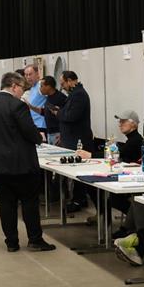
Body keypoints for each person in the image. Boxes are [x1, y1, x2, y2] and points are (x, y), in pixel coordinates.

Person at [0, 72, 55, 252]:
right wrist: (39, 136)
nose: (23, 92)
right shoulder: (17, 106)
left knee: (6, 202)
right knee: (29, 202)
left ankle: (11, 242)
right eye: (22, 88)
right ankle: (35, 239)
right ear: (14, 86)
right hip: (20, 164)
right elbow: (29, 132)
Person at [113, 114, 144, 266]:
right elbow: (142, 162)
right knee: (135, 196)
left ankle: (137, 238)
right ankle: (134, 235)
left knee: (138, 197)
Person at [55, 70, 93, 212]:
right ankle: (77, 198)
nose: (62, 86)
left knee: (79, 171)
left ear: (71, 80)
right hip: (71, 138)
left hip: (78, 139)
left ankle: (79, 200)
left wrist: (58, 113)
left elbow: (71, 116)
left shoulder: (79, 95)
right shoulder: (74, 94)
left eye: (63, 83)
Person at [39, 75, 67, 145]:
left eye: (42, 86)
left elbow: (65, 117)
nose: (40, 88)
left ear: (48, 86)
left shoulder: (61, 98)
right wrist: (30, 107)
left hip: (58, 133)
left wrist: (63, 134)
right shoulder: (48, 97)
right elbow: (45, 112)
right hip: (49, 132)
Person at [23, 64, 48, 136]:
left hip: (42, 125)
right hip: (34, 125)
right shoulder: (32, 87)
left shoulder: (41, 85)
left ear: (37, 74)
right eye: (26, 75)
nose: (28, 77)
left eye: (30, 74)